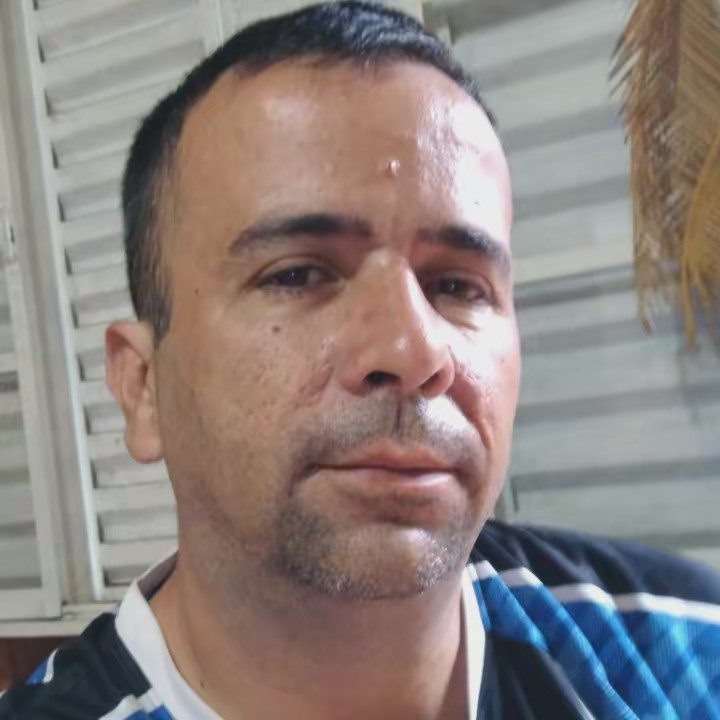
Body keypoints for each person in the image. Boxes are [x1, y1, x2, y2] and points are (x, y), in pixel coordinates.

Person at [2, 2, 719, 718]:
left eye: (457, 286)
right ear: (143, 388)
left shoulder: (684, 654)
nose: (413, 351)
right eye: (297, 275)